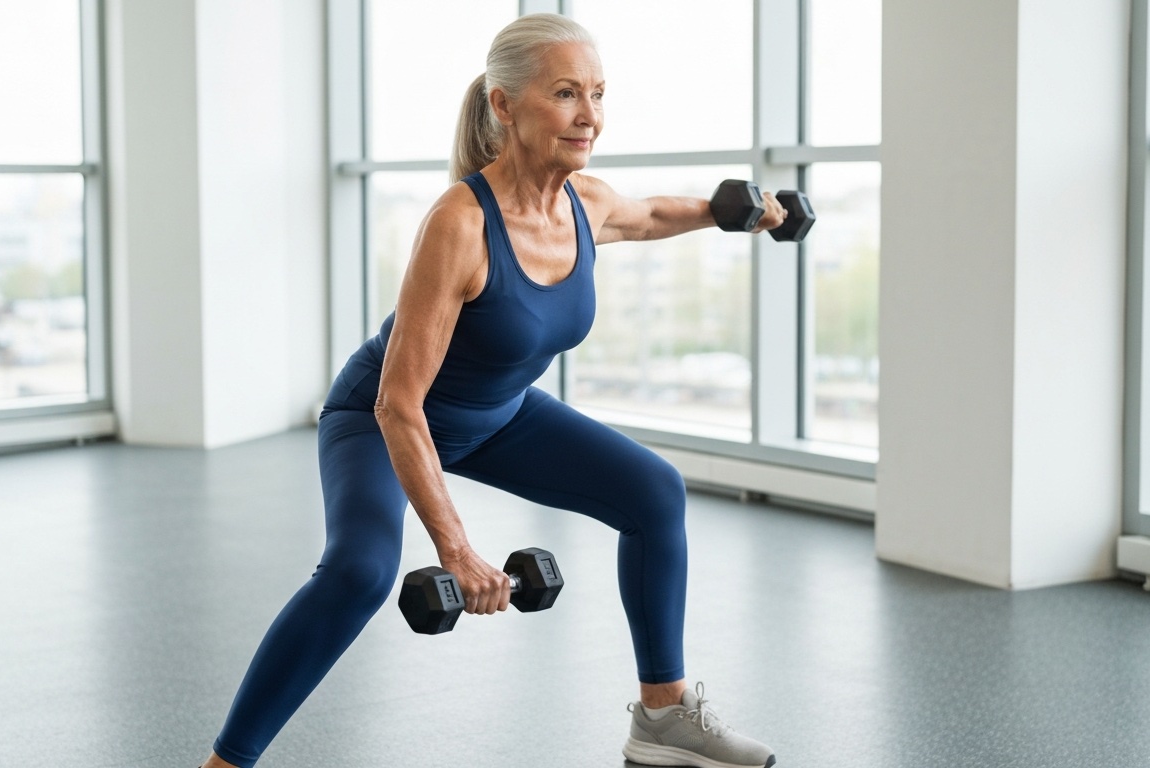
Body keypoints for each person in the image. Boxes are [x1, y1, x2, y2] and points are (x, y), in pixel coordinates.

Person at [201, 13, 782, 768]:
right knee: (360, 571)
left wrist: (734, 214)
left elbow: (647, 219)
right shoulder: (460, 222)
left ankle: (663, 720)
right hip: (381, 419)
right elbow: (396, 403)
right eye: (566, 93)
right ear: (504, 106)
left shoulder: (584, 201)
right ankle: (227, 763)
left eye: (599, 94)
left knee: (653, 492)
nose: (590, 115)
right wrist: (457, 548)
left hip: (500, 417)